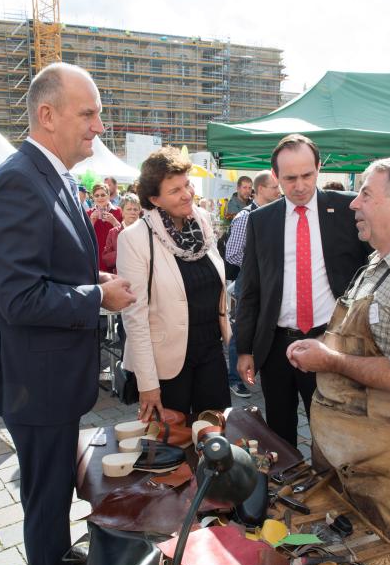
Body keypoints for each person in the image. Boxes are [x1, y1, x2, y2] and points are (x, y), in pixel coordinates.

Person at [0, 62, 135, 565]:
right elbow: (17, 296)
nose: (99, 125)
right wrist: (98, 294)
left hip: (50, 381)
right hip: (35, 385)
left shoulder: (59, 177)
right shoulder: (19, 179)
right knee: (45, 503)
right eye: (88, 113)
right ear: (48, 116)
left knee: (51, 493)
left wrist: (90, 276)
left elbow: (47, 266)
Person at [287, 157, 390, 565]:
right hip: (350, 462)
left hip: (387, 477)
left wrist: (329, 359)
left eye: (365, 193)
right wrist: (322, 348)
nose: (352, 203)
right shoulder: (380, 262)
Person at [236, 134, 368, 446]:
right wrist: (244, 349)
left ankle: (327, 492)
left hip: (329, 342)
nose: (300, 186)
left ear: (319, 167)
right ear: (275, 177)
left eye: (307, 175)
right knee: (279, 435)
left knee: (331, 433)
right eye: (290, 178)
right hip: (277, 346)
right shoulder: (260, 220)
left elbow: (368, 274)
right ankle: (284, 493)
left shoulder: (347, 210)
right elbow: (251, 289)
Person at [116, 147, 231, 420]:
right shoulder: (135, 238)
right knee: (171, 449)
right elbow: (135, 318)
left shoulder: (201, 221)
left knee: (215, 439)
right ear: (154, 199)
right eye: (175, 190)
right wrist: (148, 384)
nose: (187, 194)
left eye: (187, 184)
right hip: (165, 366)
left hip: (211, 354)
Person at [226, 170, 281, 398]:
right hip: (248, 283)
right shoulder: (245, 217)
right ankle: (234, 379)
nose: (279, 191)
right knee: (242, 329)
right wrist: (256, 267)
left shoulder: (277, 214)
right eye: (274, 187)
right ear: (260, 190)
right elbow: (232, 253)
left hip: (270, 281)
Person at [87, 183, 123, 272]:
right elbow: (84, 237)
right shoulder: (88, 213)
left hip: (112, 254)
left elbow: (125, 233)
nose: (100, 198)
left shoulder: (118, 211)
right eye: (97, 195)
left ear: (108, 195)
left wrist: (114, 221)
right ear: (93, 198)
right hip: (95, 253)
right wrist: (92, 221)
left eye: (103, 195)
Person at [102, 193, 142, 273]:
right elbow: (106, 259)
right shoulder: (113, 232)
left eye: (135, 209)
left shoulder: (146, 231)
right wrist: (123, 252)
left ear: (139, 212)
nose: (132, 212)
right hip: (122, 277)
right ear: (122, 212)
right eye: (129, 209)